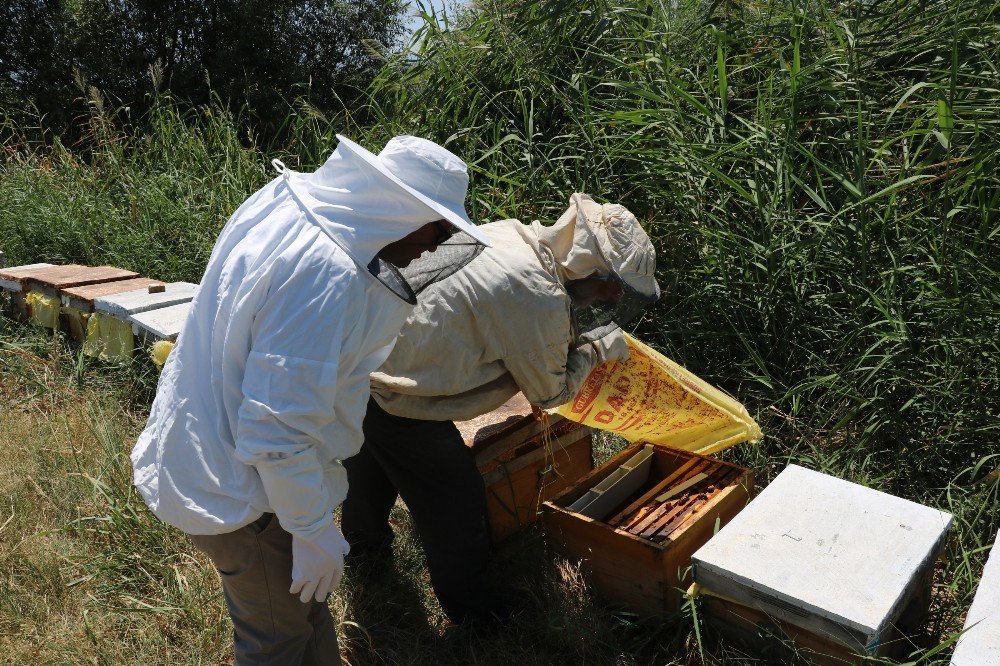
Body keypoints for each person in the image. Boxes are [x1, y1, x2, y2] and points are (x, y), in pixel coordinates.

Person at [130, 134, 490, 665]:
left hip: (210, 446)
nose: (435, 247)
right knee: (276, 639)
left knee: (302, 615)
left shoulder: (281, 203)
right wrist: (313, 530)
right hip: (245, 494)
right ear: (399, 210)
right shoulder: (326, 275)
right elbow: (275, 434)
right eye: (437, 227)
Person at [342, 192, 660, 624]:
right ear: (590, 264)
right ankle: (476, 615)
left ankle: (361, 553)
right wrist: (600, 348)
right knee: (454, 501)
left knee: (373, 464)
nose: (611, 298)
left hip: (364, 365)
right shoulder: (538, 294)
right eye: (612, 284)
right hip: (403, 394)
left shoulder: (511, 234)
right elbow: (550, 393)